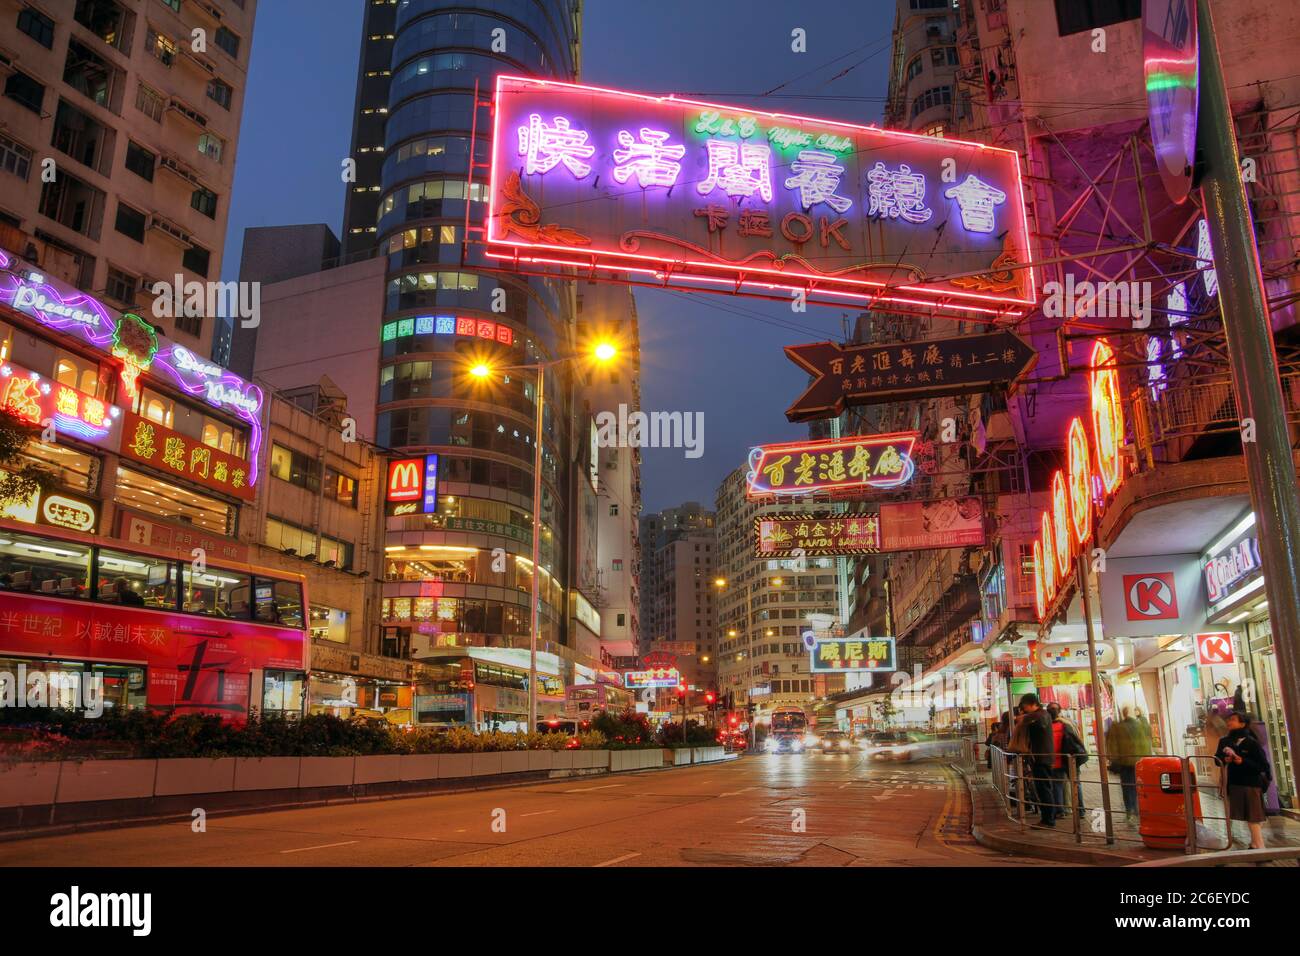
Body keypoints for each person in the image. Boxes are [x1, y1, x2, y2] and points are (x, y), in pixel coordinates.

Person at [1214, 711, 1271, 849]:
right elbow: (1217, 759)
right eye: (1228, 720)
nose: (1229, 722)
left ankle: (1260, 847)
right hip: (1232, 784)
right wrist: (1224, 759)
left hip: (1250, 784)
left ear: (1242, 723)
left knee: (1253, 817)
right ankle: (1251, 844)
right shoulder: (1224, 741)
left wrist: (1242, 761)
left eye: (1232, 719)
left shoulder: (1252, 742)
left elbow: (1262, 765)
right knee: (1243, 815)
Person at [1018, 693, 1058, 826]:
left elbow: (1038, 724)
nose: (1024, 710)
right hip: (1041, 758)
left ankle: (1049, 819)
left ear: (1032, 704)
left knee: (1044, 788)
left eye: (1025, 706)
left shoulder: (1042, 715)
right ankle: (1047, 818)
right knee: (1042, 788)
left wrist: (1024, 719)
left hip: (1042, 758)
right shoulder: (1040, 715)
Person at [1047, 702, 1088, 818]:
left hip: (1057, 760)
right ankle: (1081, 811)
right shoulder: (1068, 724)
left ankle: (1060, 811)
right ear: (1059, 711)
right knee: (1076, 784)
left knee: (1057, 786)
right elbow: (1077, 739)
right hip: (1071, 759)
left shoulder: (1048, 726)